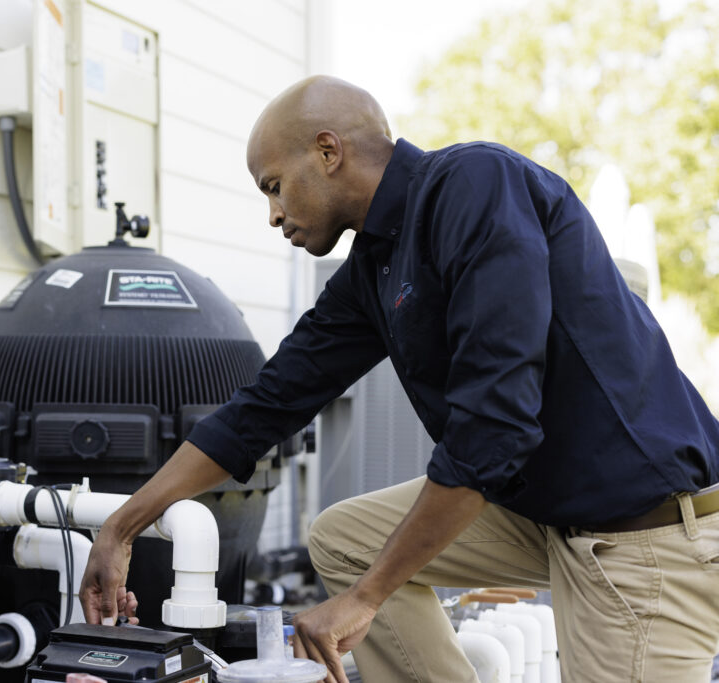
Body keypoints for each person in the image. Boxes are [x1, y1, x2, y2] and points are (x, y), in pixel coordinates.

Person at [79, 75, 719, 683]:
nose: (273, 215)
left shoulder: (475, 185)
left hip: (644, 536)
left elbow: (494, 429)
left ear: (327, 152)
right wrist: (122, 526)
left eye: (274, 186)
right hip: (551, 514)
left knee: (371, 569)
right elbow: (265, 406)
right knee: (345, 538)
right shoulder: (374, 267)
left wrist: (365, 599)